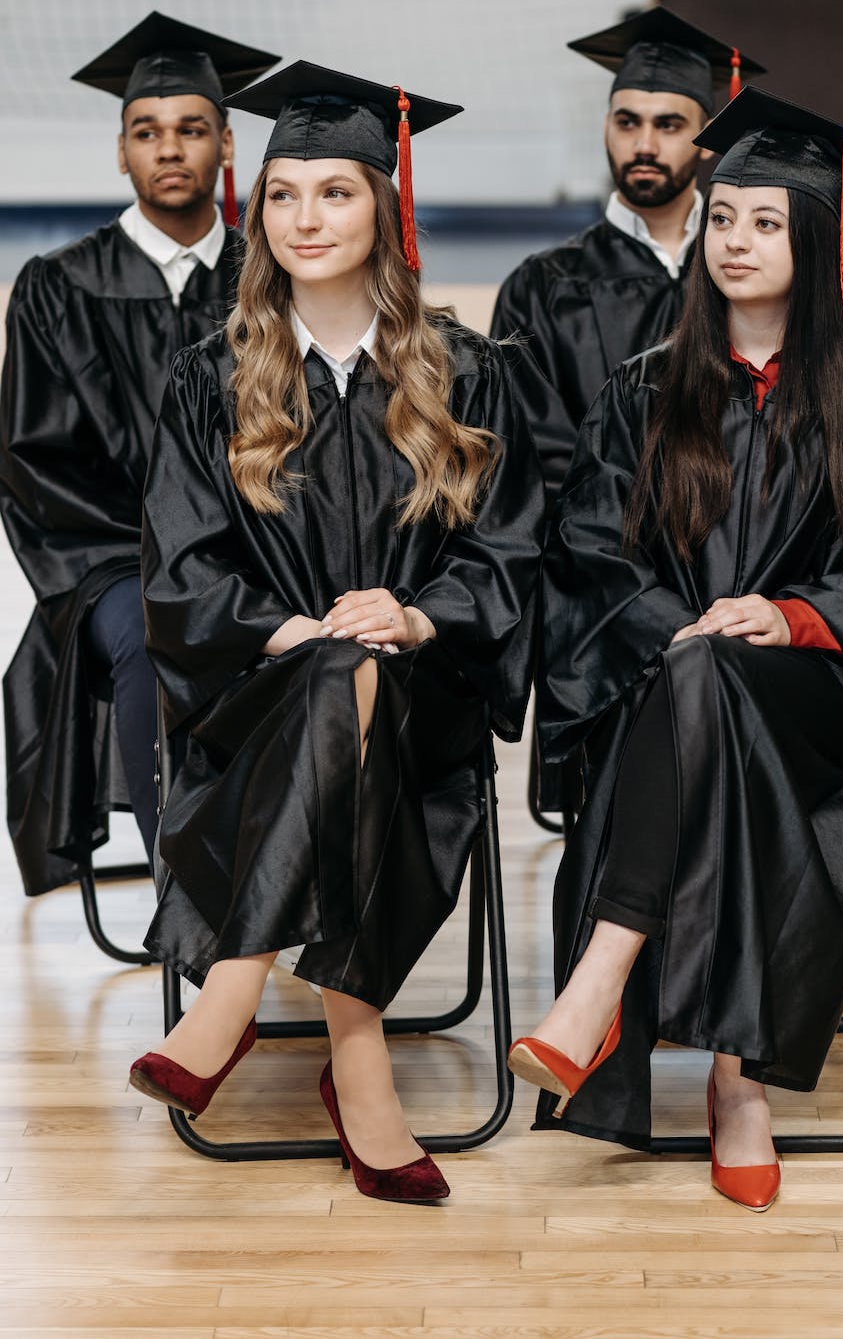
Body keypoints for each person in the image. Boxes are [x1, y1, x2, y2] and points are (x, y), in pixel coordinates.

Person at [508, 86, 843, 1211]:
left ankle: (600, 979)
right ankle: (734, 1086)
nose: (735, 243)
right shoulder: (641, 399)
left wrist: (793, 617)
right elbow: (590, 569)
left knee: (716, 666)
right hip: (670, 696)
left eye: (765, 223)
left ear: (816, 243)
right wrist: (690, 633)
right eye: (723, 219)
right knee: (698, 669)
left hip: (816, 696)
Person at [128, 61, 544, 1204]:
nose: (306, 219)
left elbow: (509, 560)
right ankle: (359, 1066)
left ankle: (234, 988)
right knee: (332, 669)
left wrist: (416, 612)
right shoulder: (209, 380)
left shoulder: (469, 374)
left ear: (384, 210)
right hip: (252, 699)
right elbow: (179, 569)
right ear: (255, 214)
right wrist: (286, 631)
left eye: (337, 194)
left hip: (427, 700)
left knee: (360, 668)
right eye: (282, 195)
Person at [0, 12, 278, 891]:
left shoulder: (267, 279)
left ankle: (289, 871)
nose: (170, 150)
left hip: (264, 548)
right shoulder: (56, 286)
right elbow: (33, 459)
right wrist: (154, 552)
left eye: (192, 130)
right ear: (121, 151)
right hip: (116, 560)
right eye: (147, 133)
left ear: (226, 146)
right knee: (151, 631)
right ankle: (191, 892)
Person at [490, 6, 766, 504]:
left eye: (668, 126)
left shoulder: (751, 270)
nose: (643, 145)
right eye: (627, 122)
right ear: (605, 129)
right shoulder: (541, 286)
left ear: (707, 140)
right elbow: (532, 453)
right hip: (590, 553)